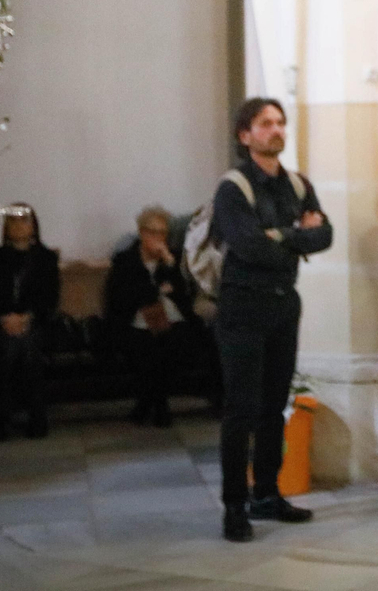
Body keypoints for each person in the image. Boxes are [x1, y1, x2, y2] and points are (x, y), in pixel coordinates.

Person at [212, 98, 334, 542]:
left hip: (284, 303)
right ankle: (234, 507)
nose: (276, 130)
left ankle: (267, 493)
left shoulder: (297, 184)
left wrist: (281, 234)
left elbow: (324, 236)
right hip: (242, 305)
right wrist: (295, 235)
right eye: (265, 124)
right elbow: (247, 246)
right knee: (241, 409)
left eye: (280, 123)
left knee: (273, 408)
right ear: (246, 136)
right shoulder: (233, 187)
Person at [105, 205, 202, 428]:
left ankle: (147, 404)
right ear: (141, 232)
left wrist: (168, 265)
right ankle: (159, 406)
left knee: (173, 344)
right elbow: (124, 298)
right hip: (134, 321)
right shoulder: (124, 259)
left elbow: (184, 293)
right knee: (146, 347)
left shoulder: (174, 258)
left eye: (162, 233)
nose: (157, 238)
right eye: (152, 232)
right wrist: (158, 288)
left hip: (172, 320)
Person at [0, 204, 59, 441]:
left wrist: (27, 318)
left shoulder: (46, 259)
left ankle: (15, 418)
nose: (19, 226)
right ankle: (19, 417)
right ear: (6, 227)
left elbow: (50, 299)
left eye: (24, 221)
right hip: (0, 324)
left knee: (26, 347)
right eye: (13, 221)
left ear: (33, 226)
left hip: (35, 323)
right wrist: (4, 319)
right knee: (9, 348)